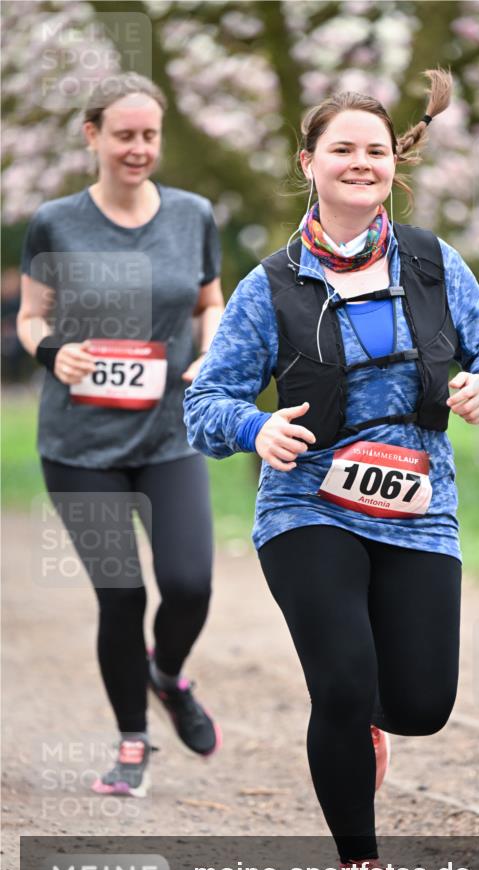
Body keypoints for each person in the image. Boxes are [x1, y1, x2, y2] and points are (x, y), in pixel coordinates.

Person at [184, 69, 479, 870]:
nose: (359, 162)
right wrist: (256, 430)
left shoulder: (433, 261)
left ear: (391, 166)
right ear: (309, 161)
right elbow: (204, 403)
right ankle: (358, 868)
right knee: (339, 681)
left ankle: (370, 723)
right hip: (307, 504)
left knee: (419, 705)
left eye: (374, 150)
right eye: (342, 149)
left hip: (417, 507)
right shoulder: (269, 286)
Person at [17, 73, 224, 798]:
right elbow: (32, 315)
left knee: (191, 584)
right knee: (122, 595)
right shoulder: (55, 222)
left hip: (168, 431)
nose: (138, 149)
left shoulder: (194, 214)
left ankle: (168, 676)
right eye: (124, 135)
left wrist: (210, 350)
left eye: (149, 135)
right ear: (93, 137)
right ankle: (132, 742)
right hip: (79, 445)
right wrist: (53, 352)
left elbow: (208, 302)